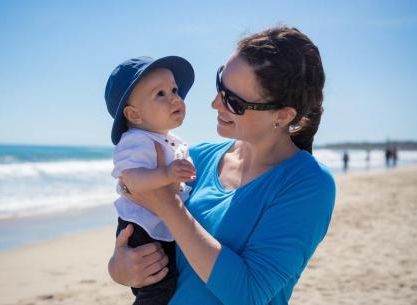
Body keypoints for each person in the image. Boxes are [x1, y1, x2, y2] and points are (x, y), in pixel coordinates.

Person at [108, 26, 336, 305]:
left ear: (283, 115)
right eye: (220, 87)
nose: (215, 103)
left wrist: (169, 206)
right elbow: (136, 205)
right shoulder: (196, 158)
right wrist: (120, 268)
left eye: (234, 101)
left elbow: (249, 294)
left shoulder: (308, 184)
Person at [105, 56, 197, 305]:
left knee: (169, 280)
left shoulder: (170, 141)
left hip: (158, 223)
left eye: (175, 90)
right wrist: (167, 174)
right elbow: (131, 179)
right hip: (140, 227)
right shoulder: (136, 140)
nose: (175, 98)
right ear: (134, 114)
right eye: (160, 94)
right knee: (157, 286)